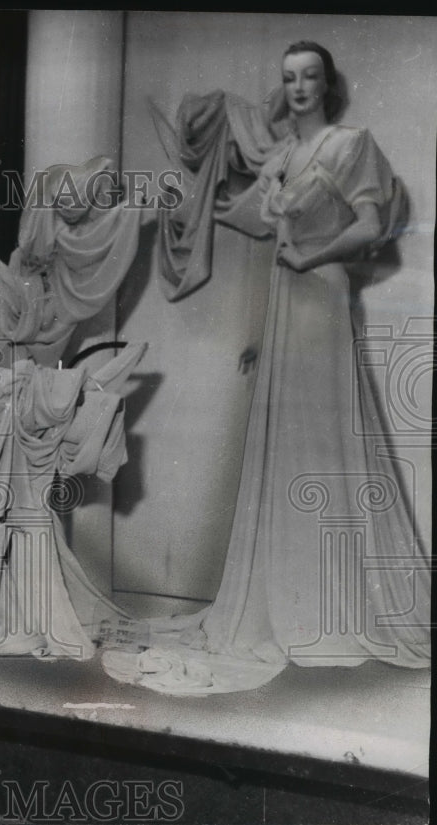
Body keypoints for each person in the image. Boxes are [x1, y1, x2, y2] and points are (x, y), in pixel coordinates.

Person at [102, 41, 430, 694]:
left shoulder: (352, 144)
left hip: (319, 291)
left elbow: (370, 226)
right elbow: (248, 217)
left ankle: (330, 606)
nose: (299, 86)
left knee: (322, 445)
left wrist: (310, 259)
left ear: (327, 85)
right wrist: (184, 192)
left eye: (310, 76)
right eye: (289, 77)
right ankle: (291, 596)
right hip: (286, 301)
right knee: (286, 451)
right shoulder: (282, 156)